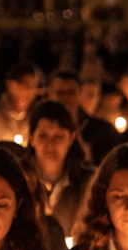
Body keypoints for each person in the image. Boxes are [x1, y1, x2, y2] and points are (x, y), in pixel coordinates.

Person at [26, 100, 95, 238]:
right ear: (31, 138)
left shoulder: (88, 182)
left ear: (71, 138)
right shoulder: (18, 179)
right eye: (43, 136)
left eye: (58, 136)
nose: (50, 145)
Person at [49, 69, 121, 162]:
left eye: (71, 92)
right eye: (60, 93)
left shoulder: (102, 130)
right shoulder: (39, 130)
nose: (65, 98)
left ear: (79, 94)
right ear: (50, 95)